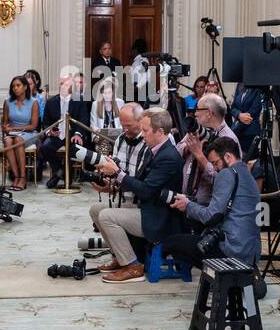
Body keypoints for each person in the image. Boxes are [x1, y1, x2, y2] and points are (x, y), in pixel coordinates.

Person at [93, 107, 185, 284]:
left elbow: (145, 190)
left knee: (106, 216)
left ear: (159, 131)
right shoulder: (156, 150)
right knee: (96, 209)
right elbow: (141, 183)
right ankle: (121, 258)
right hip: (149, 208)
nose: (142, 135)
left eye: (145, 130)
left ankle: (133, 266)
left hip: (160, 219)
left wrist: (118, 173)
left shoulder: (168, 156)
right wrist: (112, 184)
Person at [163, 138, 262, 269]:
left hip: (231, 250)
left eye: (215, 163)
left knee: (171, 243)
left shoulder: (227, 173)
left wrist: (187, 205)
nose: (214, 169)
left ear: (227, 156)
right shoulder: (247, 174)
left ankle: (220, 278)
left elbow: (212, 216)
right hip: (250, 252)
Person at [180, 93, 239, 207]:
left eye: (198, 109)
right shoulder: (196, 129)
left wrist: (199, 155)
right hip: (186, 202)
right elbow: (177, 151)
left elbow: (226, 181)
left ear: (209, 113)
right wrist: (188, 147)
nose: (195, 113)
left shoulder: (228, 139)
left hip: (207, 208)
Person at [38, 75, 90, 187]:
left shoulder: (79, 101)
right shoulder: (51, 101)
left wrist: (78, 134)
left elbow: (84, 120)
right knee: (45, 147)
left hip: (73, 134)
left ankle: (62, 175)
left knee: (75, 147)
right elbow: (46, 122)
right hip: (57, 135)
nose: (63, 87)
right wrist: (49, 132)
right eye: (62, 84)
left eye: (66, 85)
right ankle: (60, 172)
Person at [2, 75, 41, 191]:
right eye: (13, 86)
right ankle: (16, 176)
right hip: (12, 134)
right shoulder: (8, 102)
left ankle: (23, 177)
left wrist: (14, 129)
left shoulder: (34, 102)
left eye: (18, 85)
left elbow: (33, 126)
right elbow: (4, 124)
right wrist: (6, 128)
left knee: (18, 140)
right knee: (8, 140)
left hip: (30, 133)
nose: (15, 88)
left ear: (25, 87)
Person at [229, 82, 266, 159]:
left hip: (250, 132)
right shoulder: (240, 85)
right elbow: (233, 108)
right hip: (237, 131)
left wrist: (234, 130)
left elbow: (252, 114)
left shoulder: (258, 88)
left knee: (248, 161)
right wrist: (239, 115)